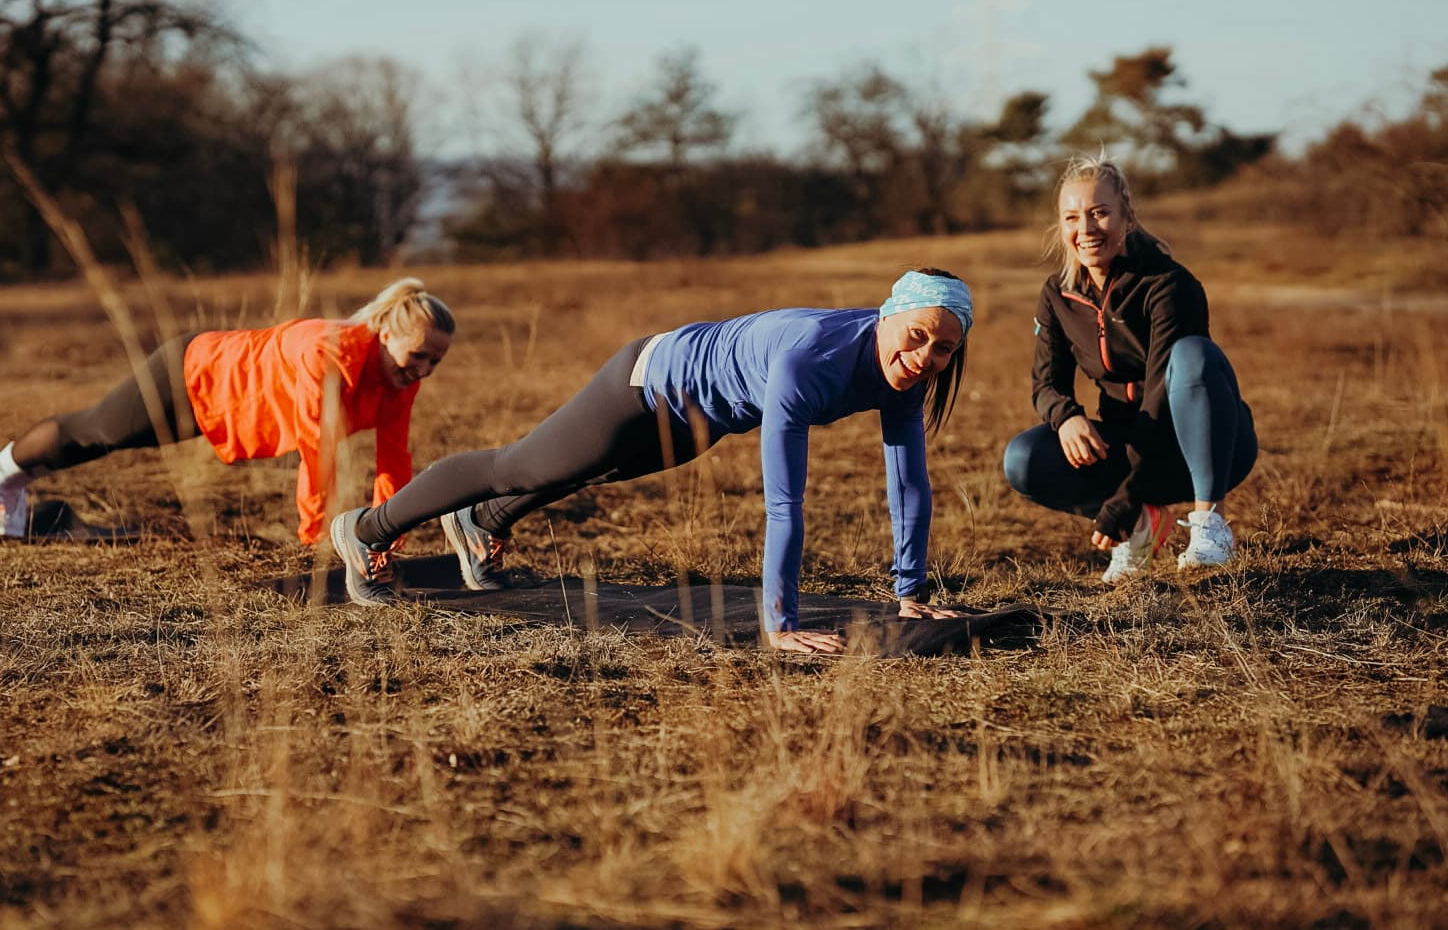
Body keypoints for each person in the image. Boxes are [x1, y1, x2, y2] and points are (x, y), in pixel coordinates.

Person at [329, 269, 974, 654]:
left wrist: (910, 594)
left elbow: (908, 483)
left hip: (708, 416)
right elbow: (783, 500)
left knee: (586, 470)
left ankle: (483, 524)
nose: (923, 356)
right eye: (915, 336)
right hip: (645, 382)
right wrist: (781, 625)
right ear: (886, 316)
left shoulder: (909, 376)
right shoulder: (812, 358)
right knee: (520, 464)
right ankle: (367, 529)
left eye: (943, 349)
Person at [0, 278, 455, 547]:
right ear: (386, 332)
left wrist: (387, 535)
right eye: (420, 356)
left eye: (438, 361)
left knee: (109, 440)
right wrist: (316, 540)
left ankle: (3, 482)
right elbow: (316, 449)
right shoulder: (330, 353)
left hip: (226, 406)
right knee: (98, 429)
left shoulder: (399, 375)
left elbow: (395, 459)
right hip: (194, 371)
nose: (427, 370)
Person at [1002, 154, 1256, 584]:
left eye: (1100, 213)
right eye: (1072, 217)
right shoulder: (1057, 294)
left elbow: (1158, 396)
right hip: (1126, 450)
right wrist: (1066, 418)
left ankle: (1210, 521)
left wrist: (1127, 495)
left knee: (1194, 355)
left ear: (1127, 217)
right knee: (1023, 459)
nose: (1085, 230)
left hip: (1201, 448)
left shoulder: (1168, 284)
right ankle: (1142, 529)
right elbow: (1045, 383)